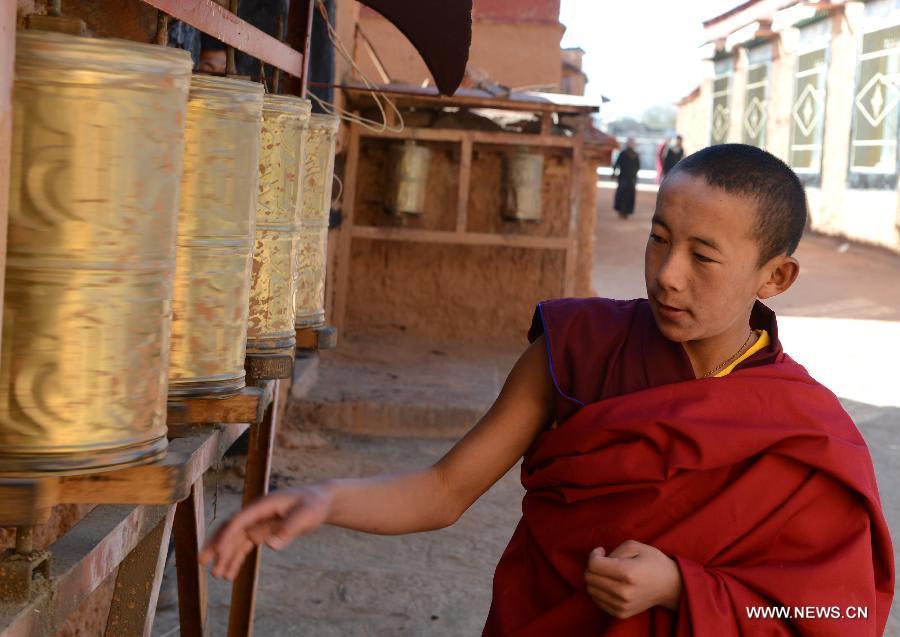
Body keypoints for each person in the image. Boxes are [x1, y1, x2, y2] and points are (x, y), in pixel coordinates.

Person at [200, 144, 894, 635]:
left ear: (775, 278)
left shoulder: (806, 431)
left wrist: (684, 586)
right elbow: (445, 489)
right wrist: (325, 498)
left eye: (703, 256)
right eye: (658, 239)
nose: (667, 274)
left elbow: (837, 613)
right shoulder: (578, 347)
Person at [613, 138, 640, 219]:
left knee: (625, 195)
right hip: (627, 178)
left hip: (627, 178)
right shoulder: (626, 154)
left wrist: (614, 173)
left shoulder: (630, 154)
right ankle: (623, 211)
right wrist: (614, 172)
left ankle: (625, 212)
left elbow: (638, 167)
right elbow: (617, 164)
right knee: (624, 194)